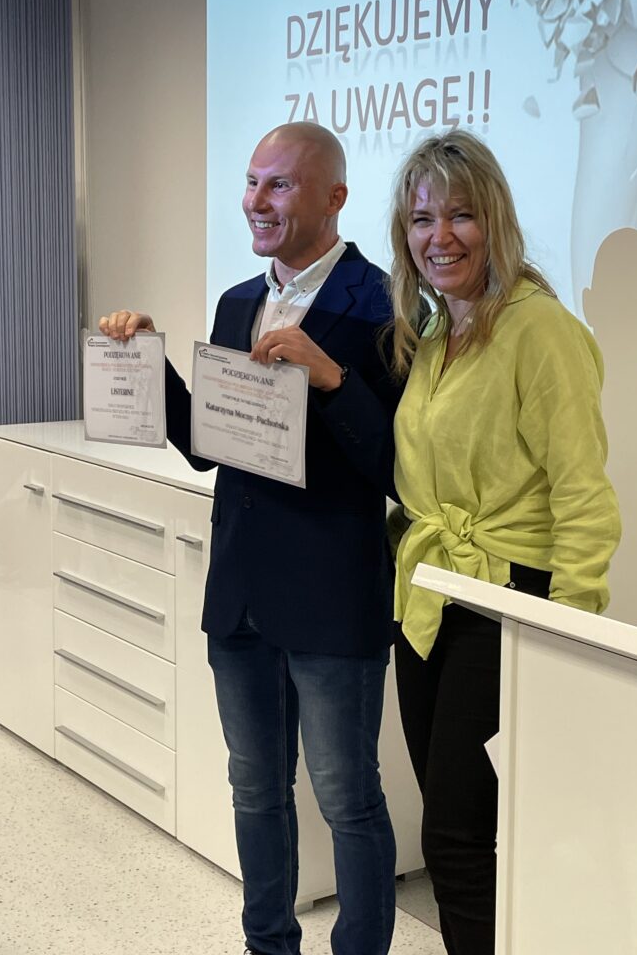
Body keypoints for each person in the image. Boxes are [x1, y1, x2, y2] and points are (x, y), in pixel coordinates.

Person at [100, 122, 407, 955]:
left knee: (348, 799)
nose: (255, 201)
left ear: (334, 197)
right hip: (239, 594)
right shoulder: (239, 301)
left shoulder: (383, 305)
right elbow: (212, 446)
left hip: (332, 596)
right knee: (254, 789)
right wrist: (152, 361)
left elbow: (398, 467)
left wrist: (332, 379)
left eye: (279, 184)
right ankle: (267, 944)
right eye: (251, 181)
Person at [387, 129, 621, 955]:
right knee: (451, 833)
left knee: (456, 841)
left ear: (496, 221)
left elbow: (584, 496)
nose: (439, 236)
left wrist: (570, 637)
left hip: (508, 603)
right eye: (422, 219)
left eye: (461, 216)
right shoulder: (432, 336)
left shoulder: (540, 329)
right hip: (429, 600)